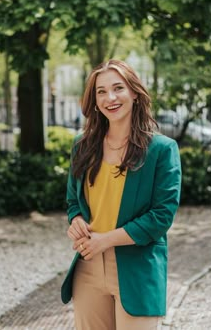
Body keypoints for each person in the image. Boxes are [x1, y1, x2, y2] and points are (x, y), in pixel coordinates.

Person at [61, 59, 182, 330]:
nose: (110, 98)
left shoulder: (162, 150)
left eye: (118, 88)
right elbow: (73, 202)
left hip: (137, 268)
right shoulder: (82, 146)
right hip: (88, 269)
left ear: (135, 93)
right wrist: (76, 220)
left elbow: (161, 217)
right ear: (94, 100)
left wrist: (105, 241)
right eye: (101, 91)